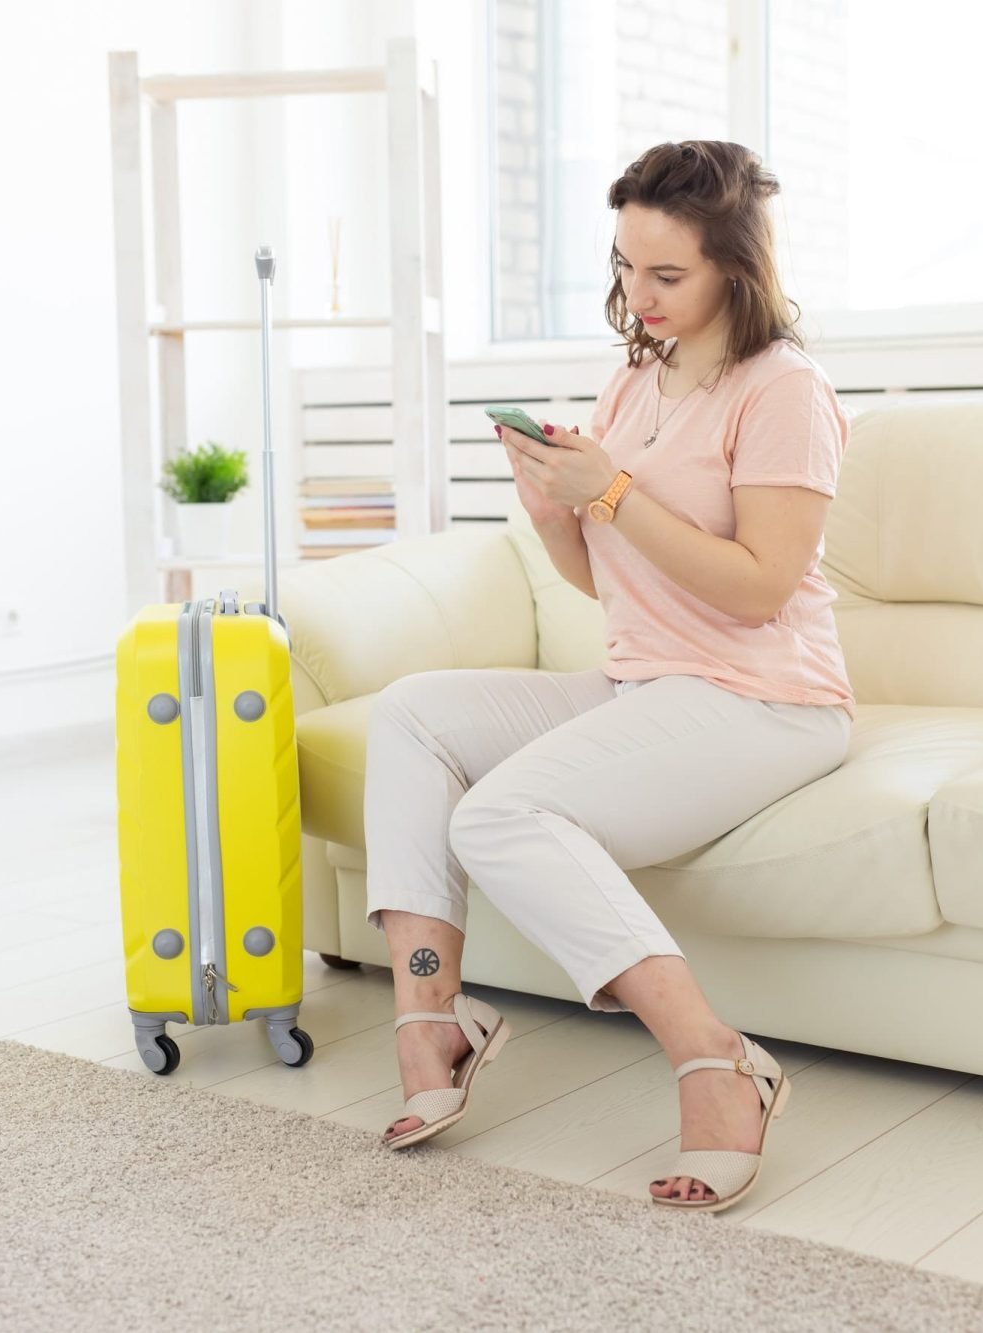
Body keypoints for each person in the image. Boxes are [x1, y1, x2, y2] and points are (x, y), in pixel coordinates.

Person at [362, 140, 855, 1213]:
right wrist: (556, 508)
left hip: (765, 699)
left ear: (736, 263)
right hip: (646, 681)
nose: (640, 294)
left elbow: (760, 588)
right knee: (411, 714)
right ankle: (432, 1014)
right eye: (628, 267)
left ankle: (721, 1061)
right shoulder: (634, 378)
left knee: (497, 816)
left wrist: (615, 489)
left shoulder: (785, 391)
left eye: (667, 273)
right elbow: (604, 582)